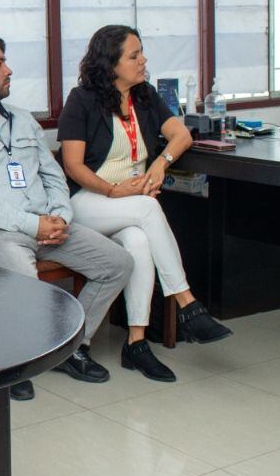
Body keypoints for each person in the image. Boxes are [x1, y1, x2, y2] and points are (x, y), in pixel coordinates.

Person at [0, 34, 134, 401]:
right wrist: (31, 225)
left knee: (117, 262)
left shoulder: (23, 121)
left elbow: (54, 176)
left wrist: (59, 215)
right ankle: (13, 361)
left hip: (47, 225)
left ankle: (69, 347)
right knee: (25, 282)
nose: (9, 71)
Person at [57, 25, 233, 383]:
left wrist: (159, 163)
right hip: (89, 200)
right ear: (111, 63)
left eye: (142, 52)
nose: (143, 60)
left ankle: (136, 343)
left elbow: (181, 134)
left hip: (131, 202)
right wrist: (113, 191)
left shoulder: (146, 95)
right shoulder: (82, 99)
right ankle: (187, 303)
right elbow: (72, 165)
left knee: (138, 239)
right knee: (149, 209)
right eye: (134, 55)